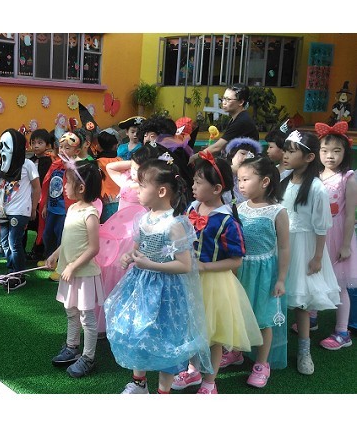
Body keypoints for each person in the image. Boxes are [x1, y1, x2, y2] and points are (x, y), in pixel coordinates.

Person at [104, 153, 212, 394]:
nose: (137, 190)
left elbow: (185, 265)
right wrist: (129, 256)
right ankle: (139, 383)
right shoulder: (143, 218)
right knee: (137, 331)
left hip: (167, 292)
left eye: (142, 186)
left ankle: (163, 392)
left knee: (166, 339)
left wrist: (151, 264)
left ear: (161, 191)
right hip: (140, 287)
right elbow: (137, 248)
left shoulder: (174, 224)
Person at [172, 151, 262, 394]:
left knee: (213, 335)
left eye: (198, 182)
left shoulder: (226, 220)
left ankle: (210, 382)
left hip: (214, 284)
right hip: (189, 279)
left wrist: (204, 266)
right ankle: (193, 371)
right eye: (194, 181)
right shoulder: (192, 208)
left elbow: (236, 260)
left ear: (217, 189)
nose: (193, 186)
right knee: (191, 329)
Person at [280, 130, 341, 374]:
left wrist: (317, 257)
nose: (285, 155)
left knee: (302, 300)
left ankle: (304, 351)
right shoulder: (283, 179)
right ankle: (272, 346)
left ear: (309, 157)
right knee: (276, 295)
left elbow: (321, 226)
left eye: (291, 151)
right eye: (285, 150)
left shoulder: (316, 188)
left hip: (304, 248)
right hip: (281, 244)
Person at [235, 156, 290, 388]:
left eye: (246, 179)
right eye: (239, 180)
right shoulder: (239, 208)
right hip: (240, 269)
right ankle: (236, 352)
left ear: (265, 181)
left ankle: (261, 363)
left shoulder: (277, 211)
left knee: (263, 319)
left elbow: (284, 247)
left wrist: (281, 279)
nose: (241, 185)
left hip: (265, 274)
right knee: (239, 313)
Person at [47, 160, 104, 378]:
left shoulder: (90, 214)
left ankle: (88, 358)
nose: (64, 186)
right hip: (69, 272)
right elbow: (68, 240)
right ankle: (72, 347)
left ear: (81, 188)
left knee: (87, 317)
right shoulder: (71, 208)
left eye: (67, 182)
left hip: (84, 274)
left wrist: (72, 266)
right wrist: (55, 254)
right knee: (71, 311)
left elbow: (94, 248)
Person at [315, 122, 356, 350]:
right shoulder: (315, 176)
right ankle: (311, 317)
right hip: (317, 234)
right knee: (314, 274)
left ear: (345, 153)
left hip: (337, 234)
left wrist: (346, 245)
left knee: (339, 284)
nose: (330, 155)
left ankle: (342, 331)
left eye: (336, 151)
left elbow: (350, 215)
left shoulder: (347, 178)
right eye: (325, 150)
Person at [0, 129, 41, 291]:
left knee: (14, 242)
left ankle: (19, 275)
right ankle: (12, 271)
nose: (2, 149)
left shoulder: (28, 165)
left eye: (6, 146)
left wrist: (33, 208)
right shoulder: (2, 166)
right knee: (5, 243)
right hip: (3, 211)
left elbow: (36, 188)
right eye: (1, 145)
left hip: (20, 211)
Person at [37, 132, 82, 281]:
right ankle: (51, 259)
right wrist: (45, 205)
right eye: (61, 147)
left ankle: (61, 265)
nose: (62, 150)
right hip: (52, 208)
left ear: (77, 151)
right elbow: (48, 186)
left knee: (62, 237)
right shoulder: (55, 165)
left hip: (65, 211)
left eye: (67, 148)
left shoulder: (75, 168)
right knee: (48, 234)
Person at [189, 84, 259, 164]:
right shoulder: (236, 118)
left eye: (228, 99)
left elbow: (217, 147)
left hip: (247, 165)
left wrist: (194, 157)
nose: (224, 102)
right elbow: (223, 145)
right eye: (223, 98)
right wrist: (209, 149)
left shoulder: (242, 121)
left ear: (241, 102)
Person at [25, 129, 55, 261]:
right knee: (27, 224)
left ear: (47, 145)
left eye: (40, 143)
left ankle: (39, 250)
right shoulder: (29, 161)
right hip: (29, 198)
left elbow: (48, 182)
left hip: (42, 199)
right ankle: (25, 250)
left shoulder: (49, 161)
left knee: (41, 225)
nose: (36, 146)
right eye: (33, 143)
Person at [222, 137, 263, 204]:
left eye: (250, 155)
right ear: (232, 154)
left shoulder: (254, 178)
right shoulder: (221, 172)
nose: (246, 158)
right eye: (243, 153)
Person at [95, 128, 122, 223]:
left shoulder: (97, 163)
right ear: (115, 146)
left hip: (105, 201)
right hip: (122, 200)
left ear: (100, 146)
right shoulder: (120, 161)